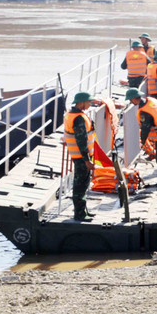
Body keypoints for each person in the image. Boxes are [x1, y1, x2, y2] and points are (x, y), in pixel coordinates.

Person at [64, 92, 104, 221]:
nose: (89, 104)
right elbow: (81, 141)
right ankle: (79, 214)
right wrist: (87, 160)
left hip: (80, 156)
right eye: (88, 102)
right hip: (81, 158)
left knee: (83, 184)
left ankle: (83, 210)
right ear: (81, 103)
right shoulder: (79, 118)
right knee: (80, 185)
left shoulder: (73, 115)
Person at [127, 88, 157, 188]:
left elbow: (145, 129)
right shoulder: (150, 100)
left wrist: (142, 142)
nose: (130, 102)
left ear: (135, 99)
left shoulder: (145, 112)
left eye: (130, 100)